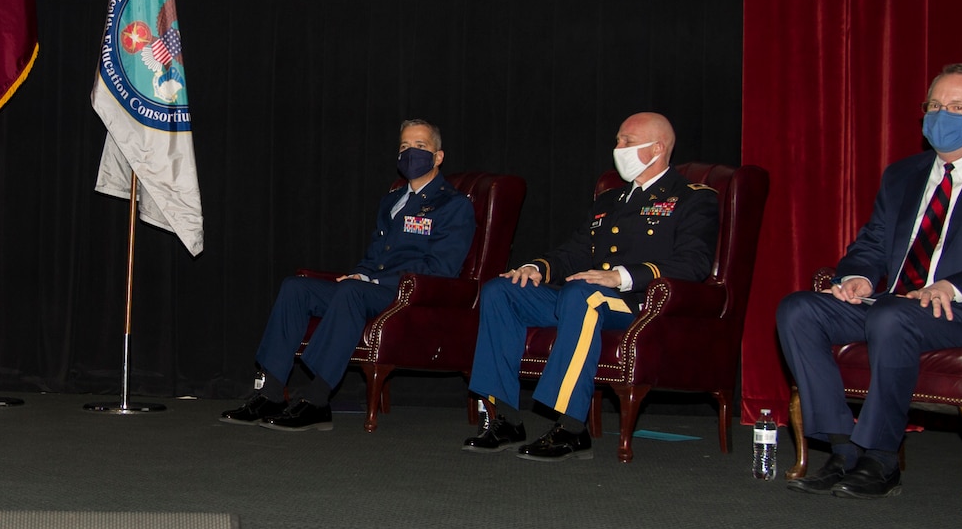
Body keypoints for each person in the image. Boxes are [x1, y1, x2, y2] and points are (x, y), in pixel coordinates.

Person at [776, 64, 962, 499]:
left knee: (893, 316)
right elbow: (871, 243)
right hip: (897, 304)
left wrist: (954, 285)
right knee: (799, 309)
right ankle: (841, 447)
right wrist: (857, 278)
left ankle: (882, 456)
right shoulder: (903, 174)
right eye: (934, 106)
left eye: (958, 107)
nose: (941, 115)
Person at [464, 112, 718, 460]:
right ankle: (505, 418)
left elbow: (694, 264)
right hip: (583, 296)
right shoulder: (610, 201)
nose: (618, 148)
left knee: (584, 295)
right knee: (501, 290)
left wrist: (621, 276)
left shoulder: (691, 197)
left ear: (658, 148)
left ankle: (571, 427)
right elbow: (577, 250)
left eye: (627, 141)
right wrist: (537, 267)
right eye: (617, 140)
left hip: (640, 304)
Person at [221, 119, 476, 431]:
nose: (411, 153)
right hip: (370, 287)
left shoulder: (453, 205)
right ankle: (271, 392)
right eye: (404, 147)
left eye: (420, 147)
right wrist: (359, 274)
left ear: (438, 156)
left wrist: (371, 282)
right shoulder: (393, 200)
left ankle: (317, 399)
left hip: (409, 294)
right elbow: (375, 256)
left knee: (351, 293)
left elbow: (441, 269)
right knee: (296, 288)